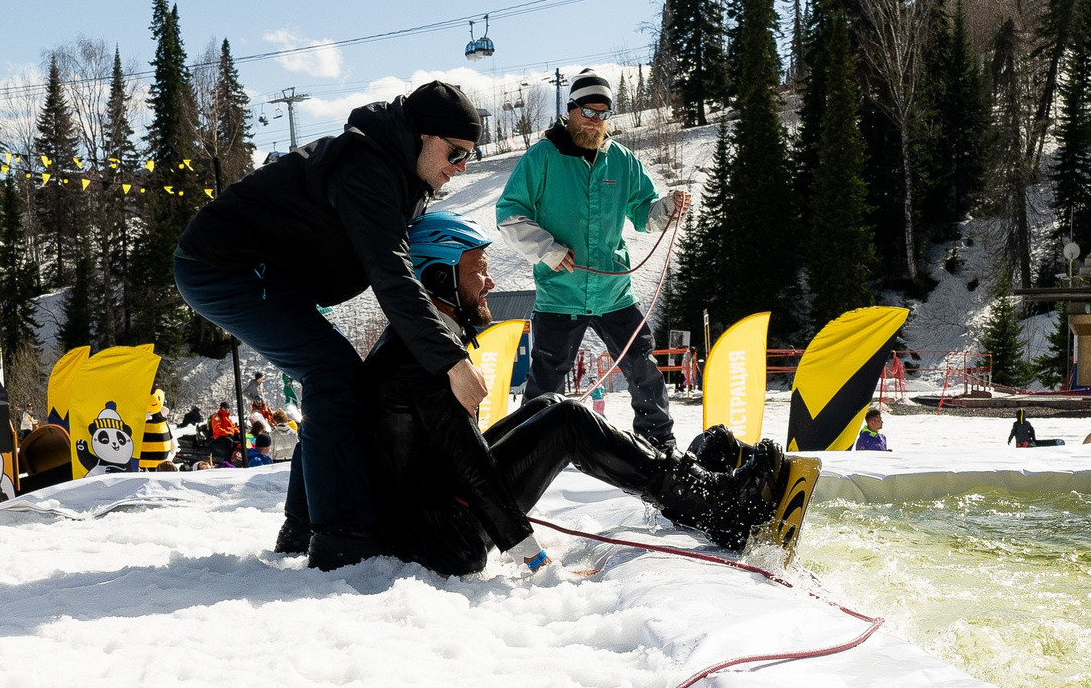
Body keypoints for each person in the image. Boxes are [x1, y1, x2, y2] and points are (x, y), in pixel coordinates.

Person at [307, 210, 780, 577]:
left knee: (549, 406)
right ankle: (717, 505)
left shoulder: (417, 341)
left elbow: (453, 454)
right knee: (568, 422)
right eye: (479, 270)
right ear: (437, 279)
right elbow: (468, 462)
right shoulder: (422, 358)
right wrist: (531, 557)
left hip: (430, 512)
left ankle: (688, 483)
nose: (490, 282)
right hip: (444, 538)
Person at [174, 80, 489, 570]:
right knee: (333, 375)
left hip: (271, 273)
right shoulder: (371, 166)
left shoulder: (402, 171)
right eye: (456, 152)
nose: (461, 167)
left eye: (470, 155)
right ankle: (341, 535)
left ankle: (302, 525)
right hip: (223, 265)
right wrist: (450, 361)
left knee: (337, 379)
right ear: (425, 136)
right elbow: (390, 272)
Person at [495, 69, 689, 453]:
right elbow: (509, 215)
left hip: (614, 291)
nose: (595, 121)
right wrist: (548, 250)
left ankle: (659, 446)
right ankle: (527, 453)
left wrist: (667, 206)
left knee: (643, 371)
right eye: (588, 111)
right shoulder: (542, 158)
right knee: (545, 381)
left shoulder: (621, 161)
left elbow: (643, 212)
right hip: (559, 293)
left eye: (603, 114)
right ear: (571, 111)